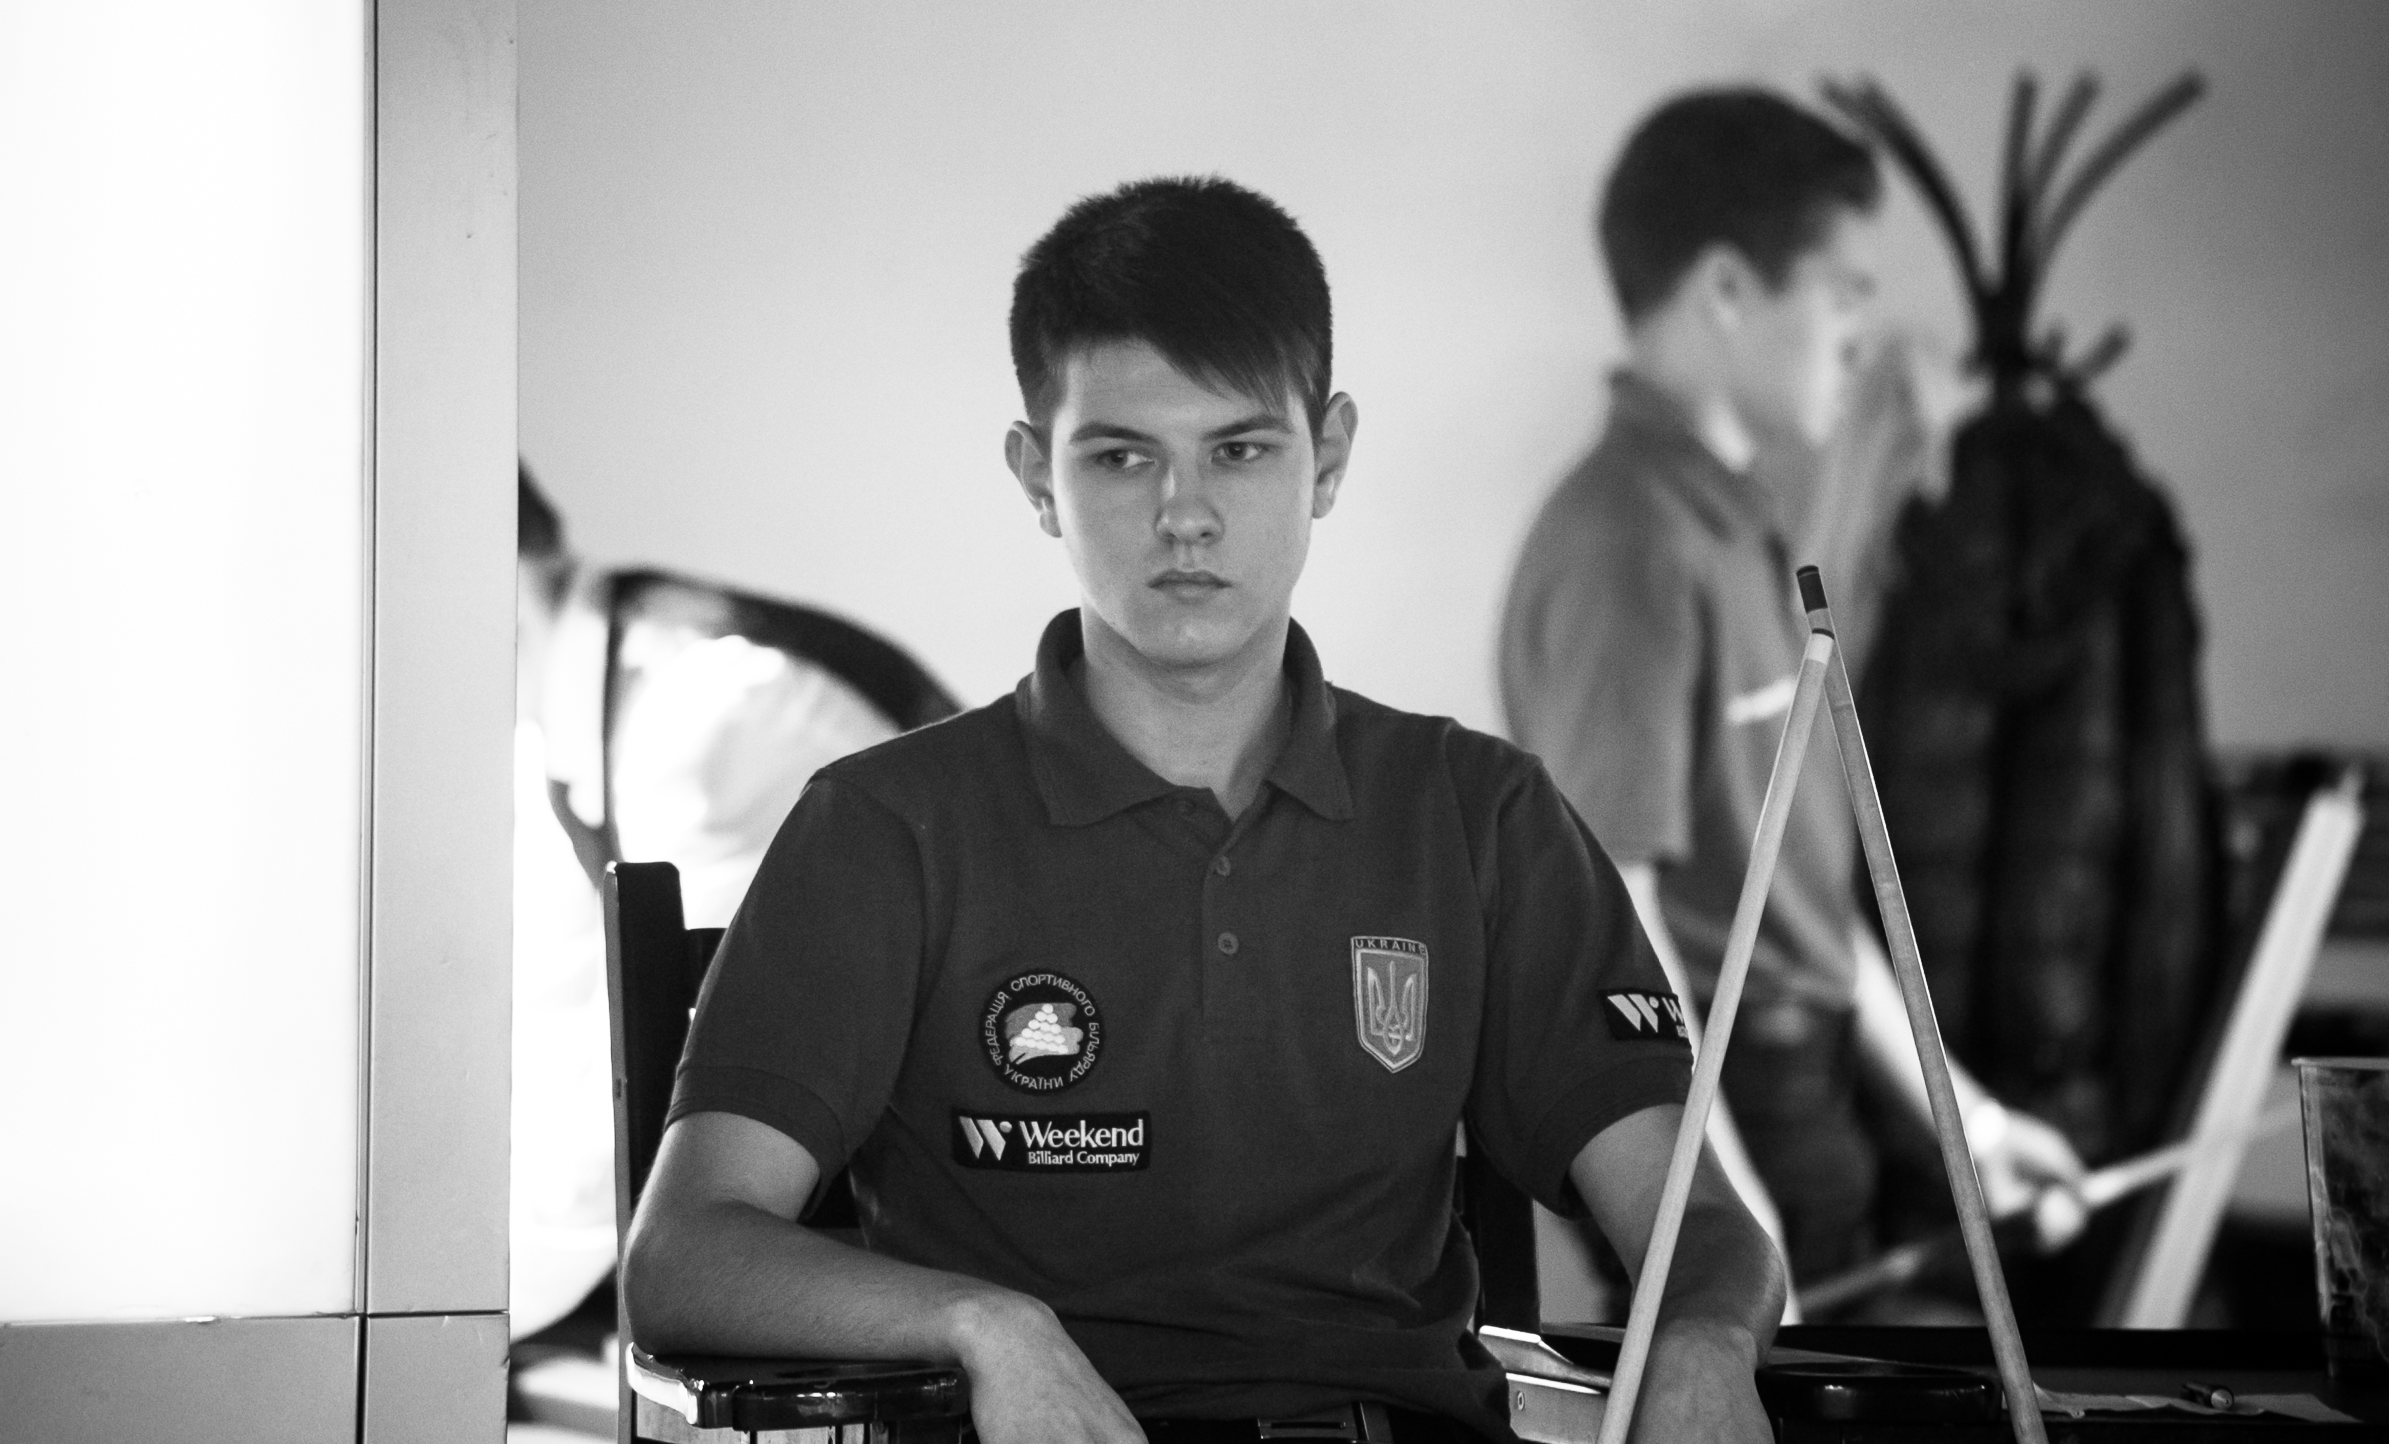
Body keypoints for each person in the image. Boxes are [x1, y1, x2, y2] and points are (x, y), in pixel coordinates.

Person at [625, 176, 1784, 1443]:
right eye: (1122, 456)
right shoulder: (886, 827)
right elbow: (683, 1254)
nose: (1185, 515)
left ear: (1327, 456)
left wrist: (1705, 1338)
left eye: (1240, 449)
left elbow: (1695, 1223)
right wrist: (984, 1325)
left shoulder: (1477, 814)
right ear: (1036, 475)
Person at [1497, 88, 2088, 1297]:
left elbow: (1807, 908)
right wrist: (1712, 1202)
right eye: (1845, 293)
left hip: (1798, 1085)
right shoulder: (1630, 542)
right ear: (1727, 288)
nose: (1863, 336)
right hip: (1731, 1098)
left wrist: (1969, 1125)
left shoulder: (1743, 519)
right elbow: (1616, 916)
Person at [510, 469, 954, 1338]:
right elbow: (550, 1009)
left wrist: (439, 1311)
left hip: (900, 1240)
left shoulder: (718, 710)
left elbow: (673, 1068)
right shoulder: (560, 713)